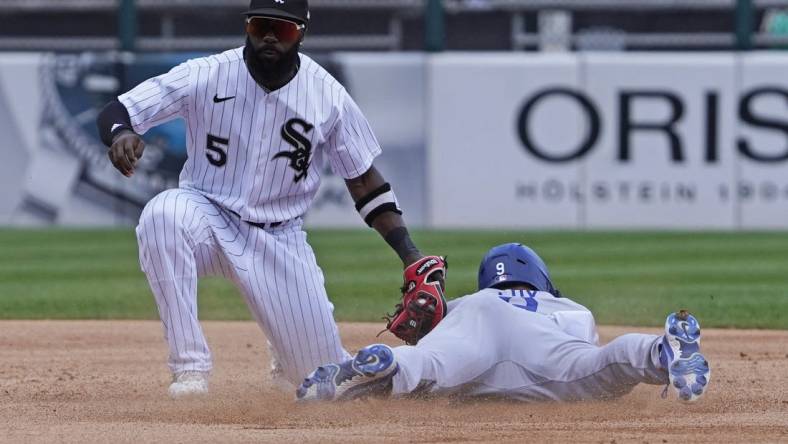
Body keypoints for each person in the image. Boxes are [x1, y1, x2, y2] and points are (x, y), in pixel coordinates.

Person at [96, 0, 436, 398]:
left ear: (302, 33)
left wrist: (410, 254)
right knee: (161, 215)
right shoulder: (207, 74)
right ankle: (190, 370)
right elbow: (119, 109)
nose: (271, 36)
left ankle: (291, 345)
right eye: (261, 26)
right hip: (206, 216)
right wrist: (121, 133)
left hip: (279, 239)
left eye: (285, 29)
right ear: (247, 27)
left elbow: (363, 181)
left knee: (322, 381)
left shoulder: (327, 95)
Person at [296, 243, 711, 403]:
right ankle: (660, 352)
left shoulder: (469, 302)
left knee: (428, 366)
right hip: (546, 352)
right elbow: (583, 348)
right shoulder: (569, 306)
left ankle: (385, 362)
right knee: (603, 364)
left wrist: (424, 344)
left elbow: (436, 340)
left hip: (475, 330)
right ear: (540, 278)